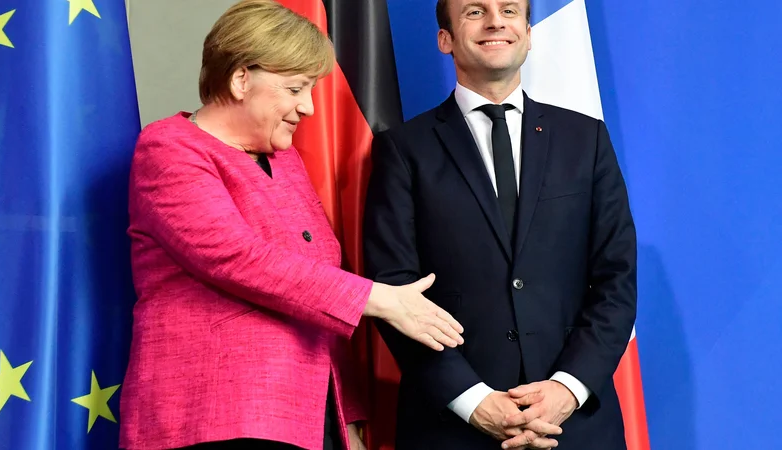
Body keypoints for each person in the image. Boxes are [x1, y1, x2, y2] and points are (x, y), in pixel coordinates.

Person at [118, 1, 464, 449]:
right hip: (212, 416)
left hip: (312, 416)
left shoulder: (287, 160)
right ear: (241, 78)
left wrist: (349, 419)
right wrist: (379, 299)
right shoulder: (170, 148)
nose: (310, 108)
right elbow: (236, 258)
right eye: (297, 88)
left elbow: (315, 289)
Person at [363, 0, 638, 449]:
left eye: (510, 10)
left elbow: (617, 279)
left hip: (575, 426)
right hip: (450, 428)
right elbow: (392, 291)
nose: (495, 21)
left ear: (527, 35)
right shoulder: (403, 151)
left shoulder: (585, 139)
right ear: (445, 39)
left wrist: (567, 389)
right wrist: (472, 401)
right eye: (474, 11)